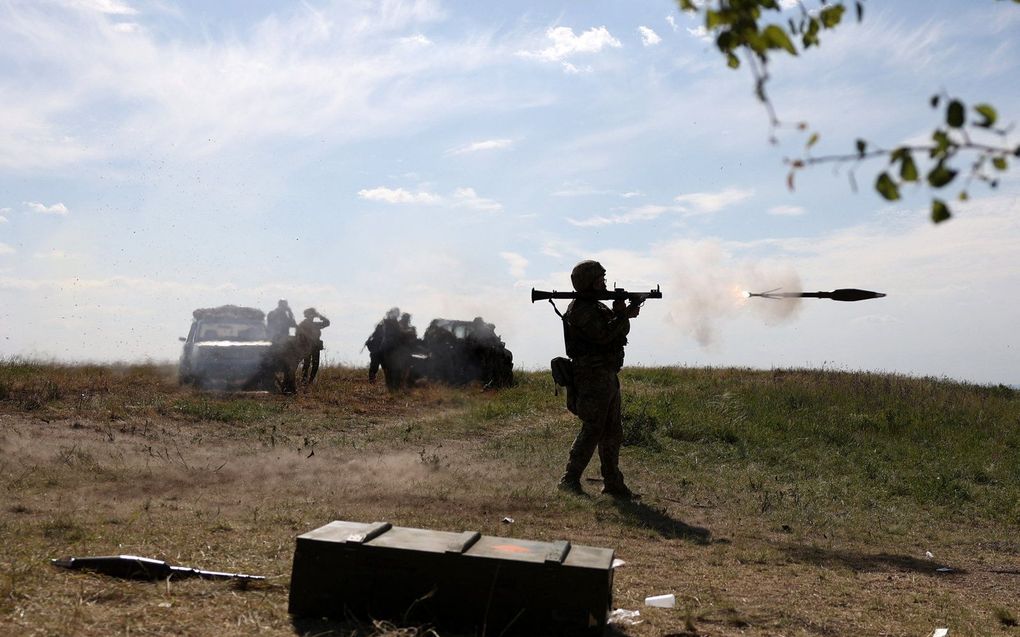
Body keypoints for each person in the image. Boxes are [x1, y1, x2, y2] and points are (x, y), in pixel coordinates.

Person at [557, 260, 641, 499]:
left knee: (612, 430)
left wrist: (622, 314)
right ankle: (569, 479)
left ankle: (613, 482)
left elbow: (615, 331)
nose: (604, 284)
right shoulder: (581, 310)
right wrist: (623, 315)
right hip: (592, 377)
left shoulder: (595, 307)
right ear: (588, 283)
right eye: (600, 280)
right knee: (593, 428)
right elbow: (603, 336)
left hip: (606, 375)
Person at [365, 307, 400, 383]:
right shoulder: (383, 323)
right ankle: (372, 380)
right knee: (374, 366)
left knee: (387, 367)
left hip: (386, 350)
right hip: (378, 349)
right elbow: (375, 335)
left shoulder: (395, 324)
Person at [297, 307, 330, 384]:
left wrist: (319, 315)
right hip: (307, 346)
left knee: (315, 364)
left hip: (315, 346)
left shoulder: (315, 324)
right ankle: (304, 380)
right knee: (307, 363)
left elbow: (327, 323)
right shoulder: (303, 324)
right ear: (307, 315)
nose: (312, 316)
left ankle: (310, 381)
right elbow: (298, 334)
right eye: (310, 314)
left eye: (313, 315)